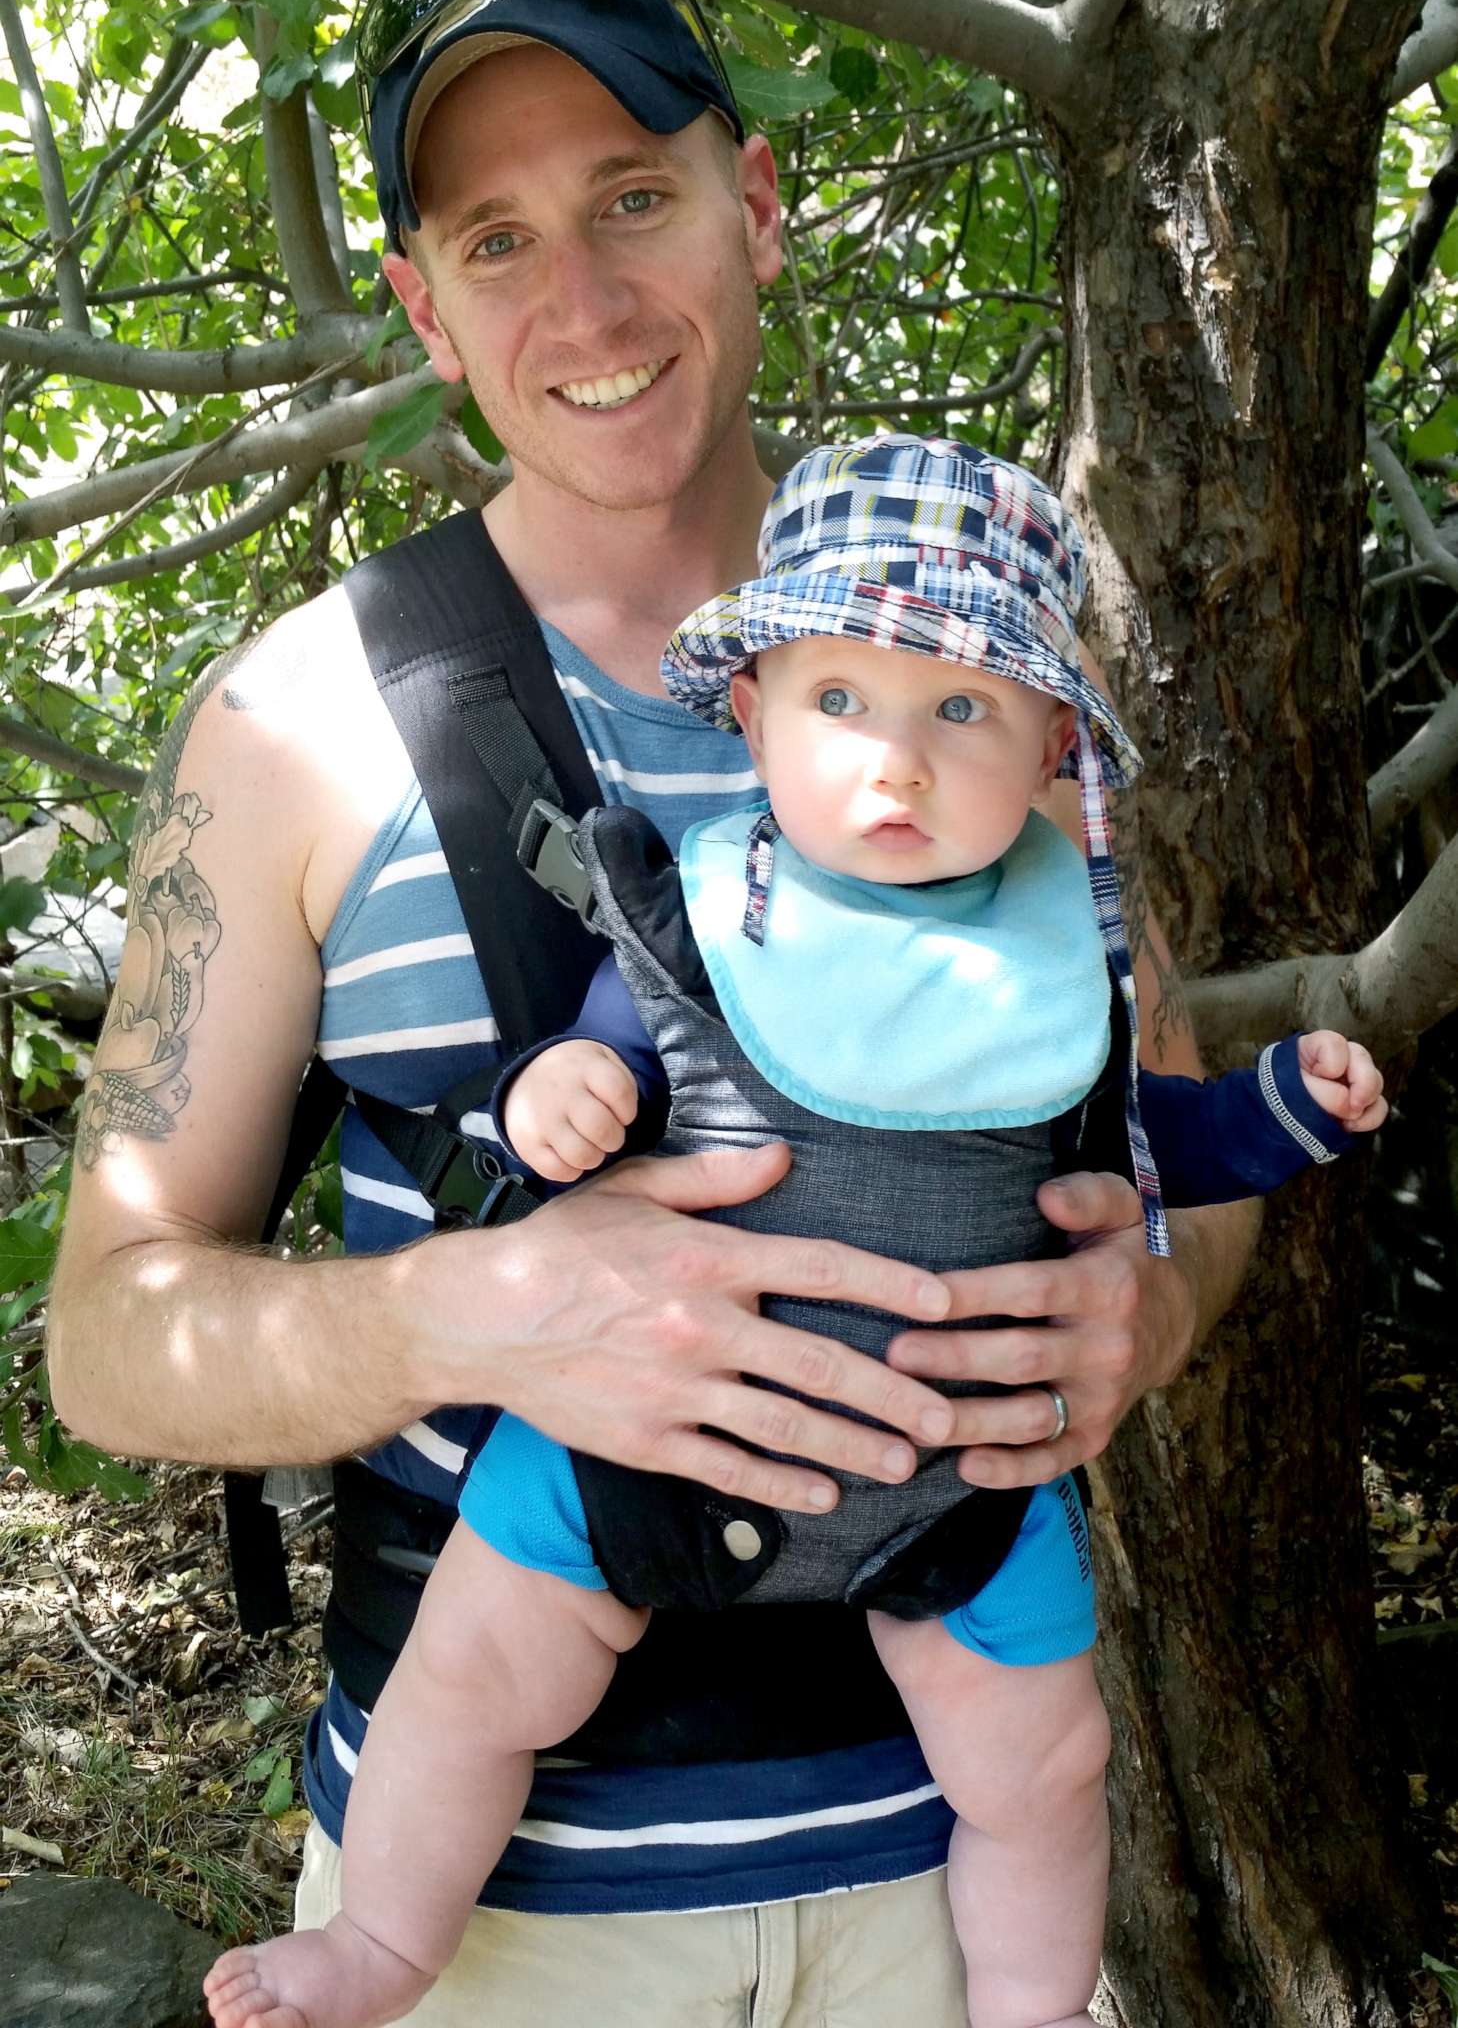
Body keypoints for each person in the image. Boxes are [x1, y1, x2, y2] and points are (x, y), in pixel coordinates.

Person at [52, 0, 1270, 2027]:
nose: (588, 299)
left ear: (759, 205)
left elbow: (1184, 1156)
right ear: (426, 313)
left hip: (950, 1884)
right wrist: (474, 1309)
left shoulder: (981, 650)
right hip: (500, 1920)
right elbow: (105, 1337)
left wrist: (1143, 1310)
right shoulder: (297, 726)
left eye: (635, 196)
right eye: (500, 241)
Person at [200, 436, 1384, 2028]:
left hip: (951, 1465)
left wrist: (1285, 1111)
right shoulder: (699, 913)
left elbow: (1151, 1148)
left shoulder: (1059, 960)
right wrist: (561, 1092)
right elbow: (616, 1057)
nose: (894, 763)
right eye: (841, 705)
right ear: (751, 718)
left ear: (1049, 752)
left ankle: (1027, 2007)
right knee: (475, 1675)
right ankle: (385, 1947)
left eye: (960, 709)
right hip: (633, 1442)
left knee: (1045, 1761)